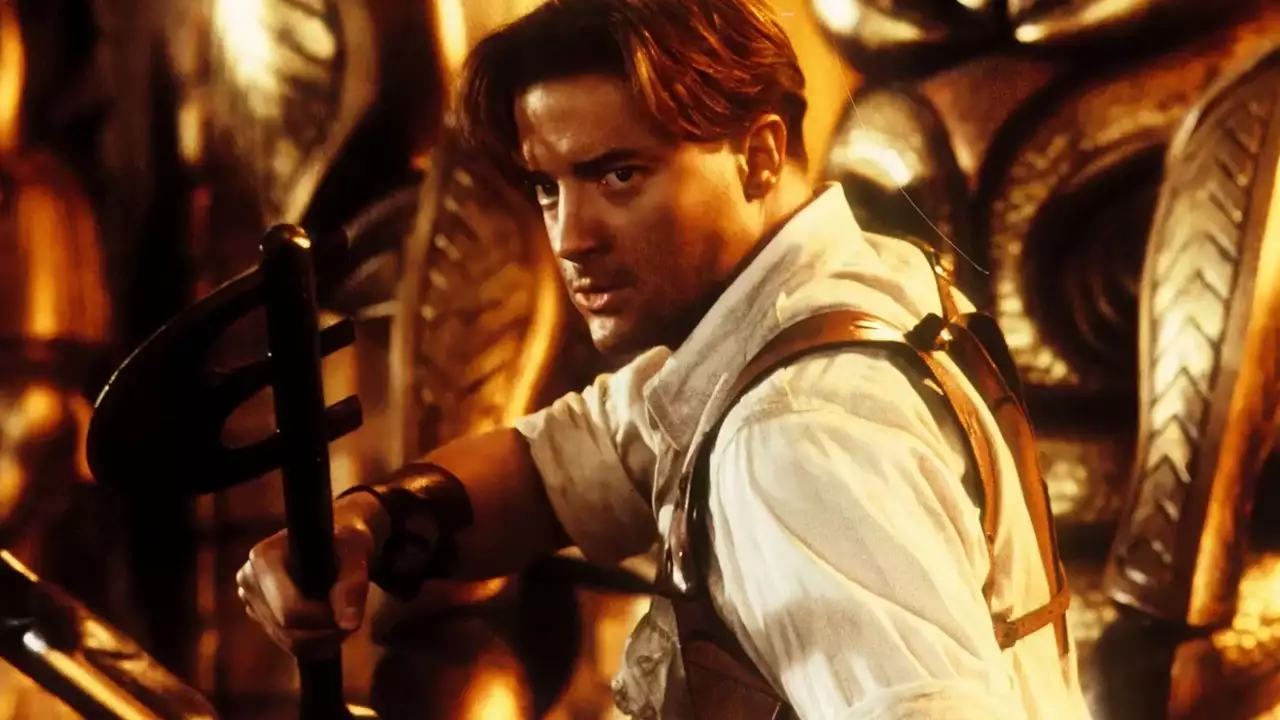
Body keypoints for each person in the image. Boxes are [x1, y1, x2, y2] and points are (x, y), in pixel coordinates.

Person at [235, 0, 1093, 717]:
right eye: (548, 186)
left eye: (618, 177)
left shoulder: (796, 431)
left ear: (758, 157)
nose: (570, 238)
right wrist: (367, 524)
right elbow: (561, 464)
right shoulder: (837, 298)